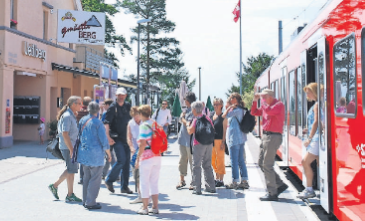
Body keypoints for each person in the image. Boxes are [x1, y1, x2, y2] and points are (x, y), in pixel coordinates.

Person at [251, 89, 287, 201]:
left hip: (273, 137)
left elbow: (269, 111)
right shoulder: (266, 105)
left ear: (270, 96)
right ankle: (279, 184)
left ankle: (272, 193)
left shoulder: (278, 105)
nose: (264, 99)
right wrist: (254, 101)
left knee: (267, 164)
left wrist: (261, 100)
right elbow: (254, 112)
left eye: (265, 97)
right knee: (261, 163)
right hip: (266, 136)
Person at [77, 102, 112, 209]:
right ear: (98, 111)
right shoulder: (98, 123)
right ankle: (91, 202)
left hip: (84, 153)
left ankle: (85, 200)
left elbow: (79, 135)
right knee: (95, 178)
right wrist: (109, 154)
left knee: (86, 177)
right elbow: (104, 141)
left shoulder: (82, 120)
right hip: (95, 155)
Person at [48, 96, 82, 202]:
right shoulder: (67, 116)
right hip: (68, 147)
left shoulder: (71, 115)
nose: (81, 105)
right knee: (72, 169)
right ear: (73, 104)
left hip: (70, 146)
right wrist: (72, 149)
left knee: (71, 170)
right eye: (79, 103)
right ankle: (54, 185)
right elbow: (65, 133)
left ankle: (70, 194)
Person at [104, 87, 133, 194]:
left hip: (127, 139)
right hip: (116, 139)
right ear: (116, 96)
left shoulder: (128, 106)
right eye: (119, 95)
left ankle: (124, 187)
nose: (121, 97)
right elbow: (106, 123)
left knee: (126, 163)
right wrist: (108, 137)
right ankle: (109, 180)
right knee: (121, 160)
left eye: (123, 95)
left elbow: (133, 120)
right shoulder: (112, 108)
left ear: (125, 96)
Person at [136, 105, 162, 215]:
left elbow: (142, 144)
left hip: (147, 157)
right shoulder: (155, 124)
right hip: (157, 156)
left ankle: (144, 207)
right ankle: (155, 207)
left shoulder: (143, 126)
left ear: (141, 114)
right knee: (154, 182)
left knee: (144, 182)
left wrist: (138, 158)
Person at [297, 83, 321, 199]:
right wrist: (309, 129)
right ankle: (319, 188)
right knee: (318, 162)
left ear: (314, 92)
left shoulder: (317, 105)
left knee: (305, 162)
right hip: (316, 137)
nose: (306, 94)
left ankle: (309, 189)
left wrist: (309, 138)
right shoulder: (318, 104)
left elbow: (317, 122)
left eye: (308, 91)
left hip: (315, 139)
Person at [187, 101, 216, 195]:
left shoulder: (195, 120)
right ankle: (211, 186)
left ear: (195, 110)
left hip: (198, 143)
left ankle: (197, 188)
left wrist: (187, 124)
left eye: (192, 109)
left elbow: (190, 131)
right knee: (207, 165)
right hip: (209, 143)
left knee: (196, 166)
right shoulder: (207, 118)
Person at [223, 93, 249, 190]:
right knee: (241, 160)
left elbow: (225, 115)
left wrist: (229, 107)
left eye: (231, 98)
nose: (230, 99)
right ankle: (244, 181)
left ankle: (235, 181)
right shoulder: (241, 109)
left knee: (234, 161)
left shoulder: (236, 110)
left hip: (234, 139)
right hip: (241, 138)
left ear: (235, 99)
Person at [176, 92, 196, 190]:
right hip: (182, 139)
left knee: (192, 161)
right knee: (182, 159)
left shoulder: (194, 110)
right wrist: (182, 118)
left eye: (186, 100)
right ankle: (182, 180)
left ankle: (194, 181)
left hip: (191, 140)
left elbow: (188, 122)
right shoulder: (186, 110)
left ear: (188, 101)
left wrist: (182, 118)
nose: (185, 102)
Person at [210, 98, 227, 187]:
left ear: (221, 105)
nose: (215, 106)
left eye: (217, 104)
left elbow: (224, 131)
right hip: (211, 141)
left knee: (220, 160)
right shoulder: (212, 115)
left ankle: (221, 179)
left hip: (220, 140)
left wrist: (223, 142)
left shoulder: (223, 117)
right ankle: (216, 176)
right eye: (214, 104)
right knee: (213, 160)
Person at [127, 106, 142, 204]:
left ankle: (145, 195)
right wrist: (132, 148)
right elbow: (129, 137)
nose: (136, 118)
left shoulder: (145, 123)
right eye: (134, 116)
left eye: (137, 116)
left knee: (143, 174)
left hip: (144, 151)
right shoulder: (130, 123)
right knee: (135, 173)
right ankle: (140, 195)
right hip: (134, 152)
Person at [76, 96, 92, 184]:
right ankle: (87, 177)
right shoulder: (89, 113)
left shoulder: (78, 112)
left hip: (79, 137)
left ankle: (82, 177)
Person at [101, 98, 116, 179]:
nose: (104, 107)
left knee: (109, 155)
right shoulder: (116, 113)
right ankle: (114, 173)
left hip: (107, 136)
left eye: (105, 105)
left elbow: (102, 125)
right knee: (110, 155)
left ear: (108, 105)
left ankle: (104, 174)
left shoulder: (106, 114)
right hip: (113, 136)